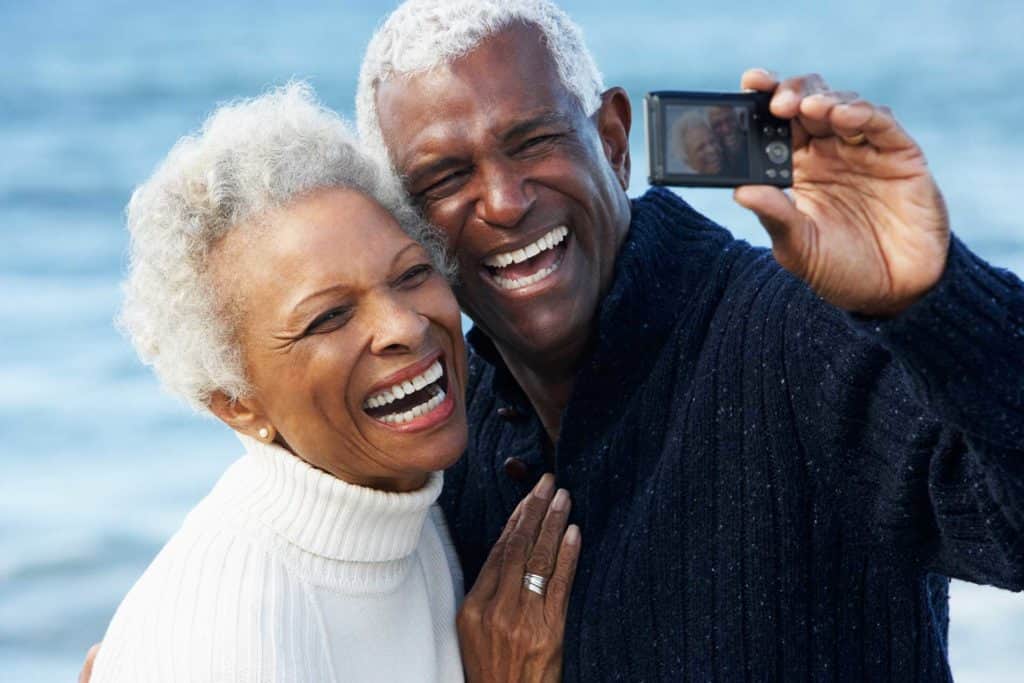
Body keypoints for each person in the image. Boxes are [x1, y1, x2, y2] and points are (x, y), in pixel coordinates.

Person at [355, 0, 1024, 680]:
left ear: (614, 142)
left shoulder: (797, 334)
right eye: (445, 177)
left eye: (532, 141)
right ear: (410, 226)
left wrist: (937, 297)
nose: (503, 200)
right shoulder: (445, 435)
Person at [85, 83, 580, 682]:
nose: (403, 326)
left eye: (413, 274)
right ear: (235, 402)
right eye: (328, 317)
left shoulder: (408, 506)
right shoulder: (234, 630)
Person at [707, 104, 748, 175]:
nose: (726, 129)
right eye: (717, 125)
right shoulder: (714, 164)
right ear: (711, 131)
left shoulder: (754, 146)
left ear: (738, 120)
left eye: (729, 120)